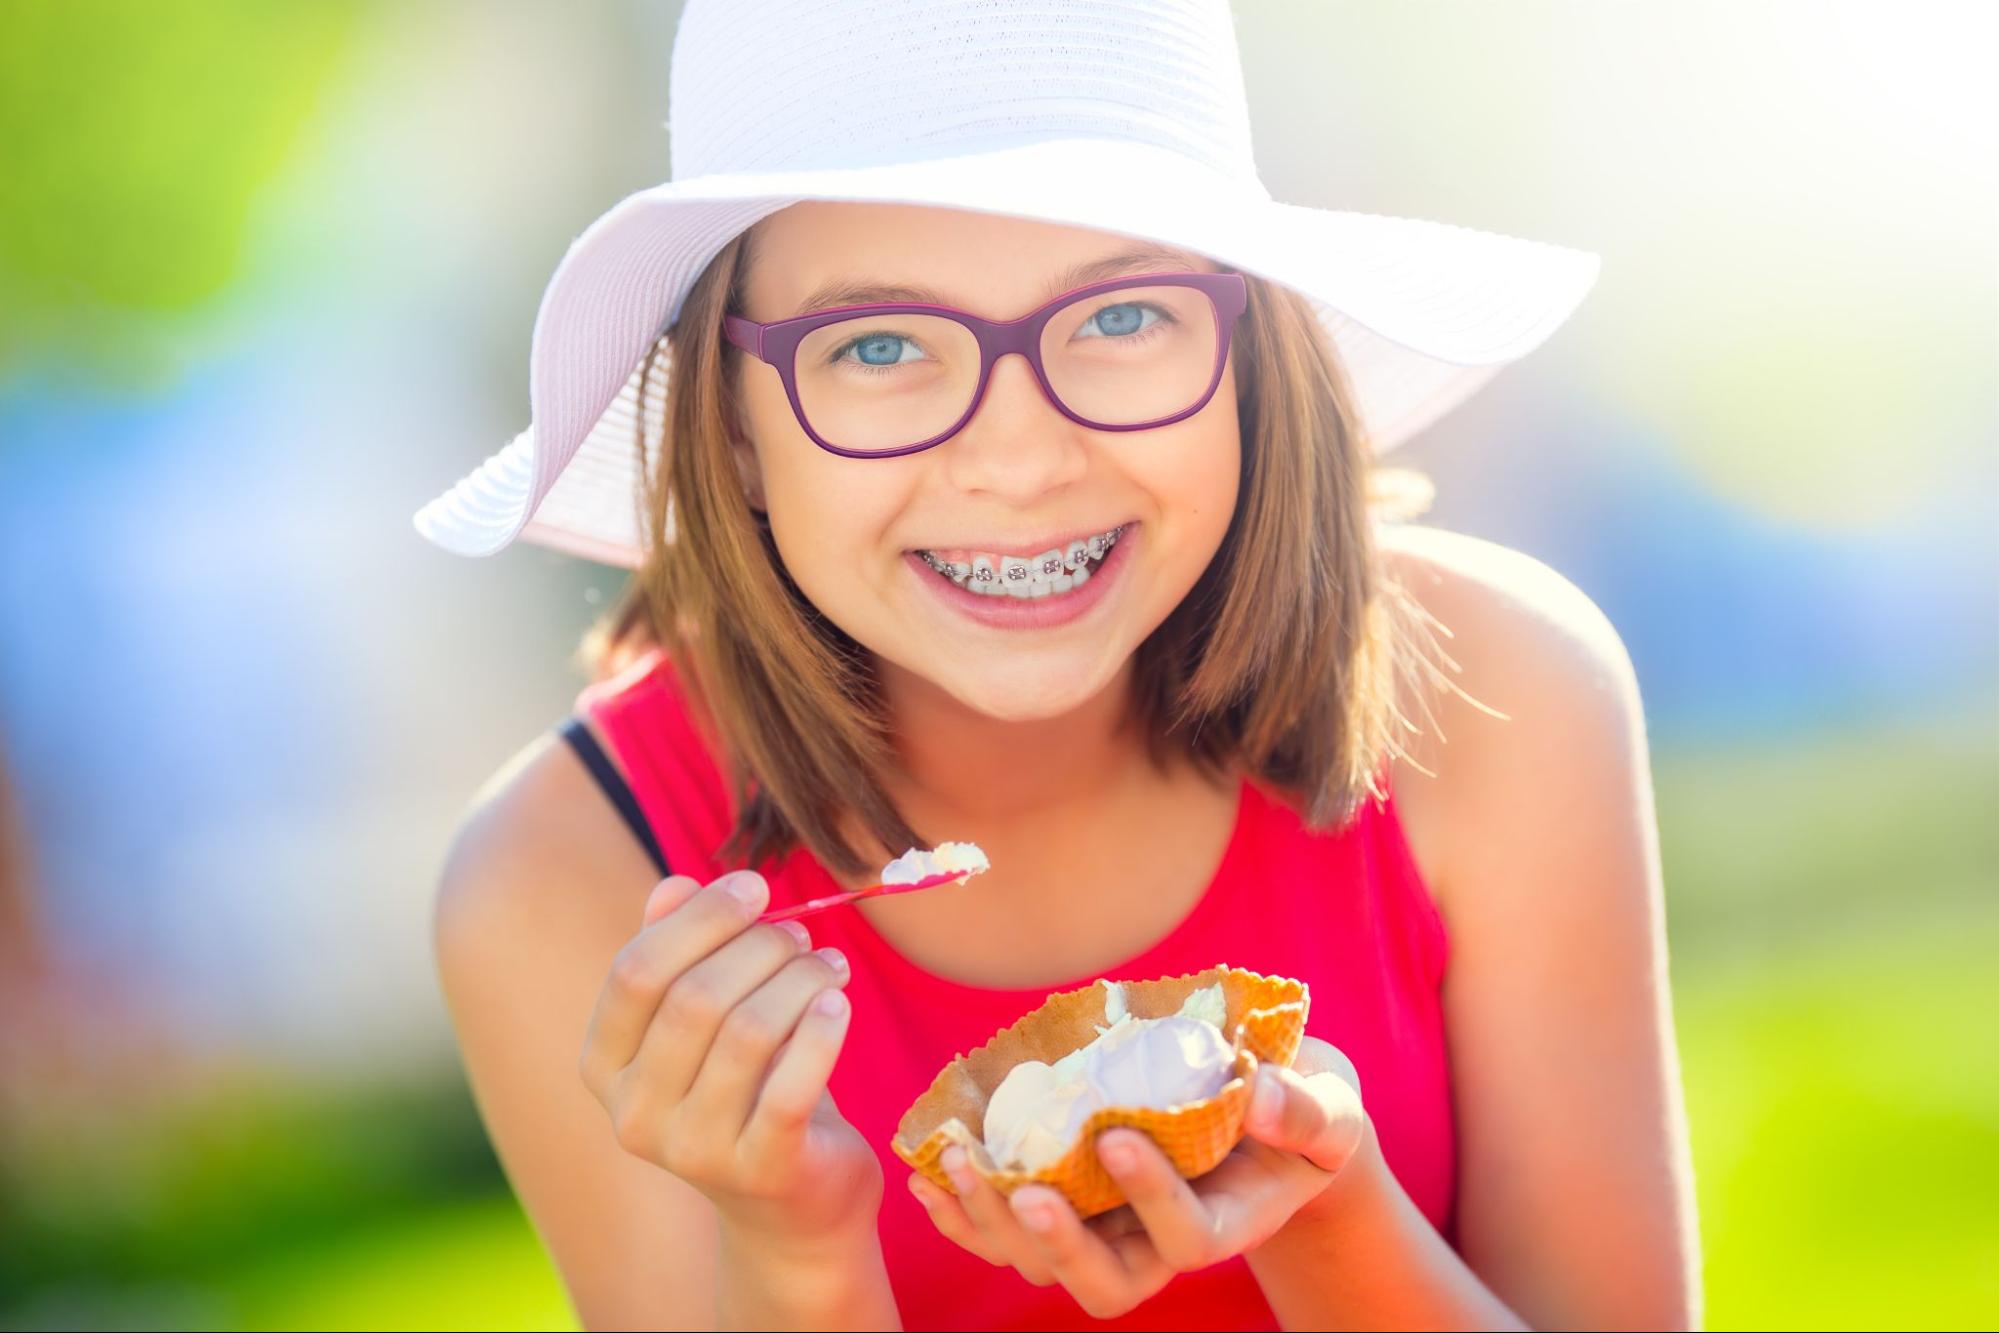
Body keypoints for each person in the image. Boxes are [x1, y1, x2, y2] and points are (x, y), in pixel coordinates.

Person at [419, 4, 1699, 1329]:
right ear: (733, 425)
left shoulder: (1499, 696)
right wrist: (793, 1254)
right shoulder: (569, 876)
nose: (1022, 460)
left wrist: (1320, 1214)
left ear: (1249, 354)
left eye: (1126, 313)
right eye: (877, 347)